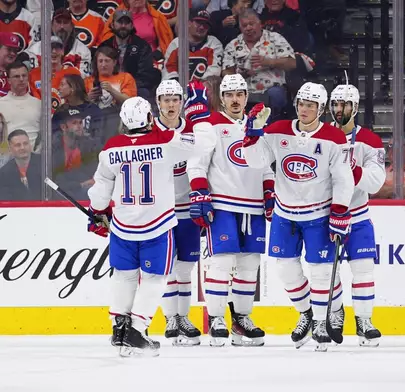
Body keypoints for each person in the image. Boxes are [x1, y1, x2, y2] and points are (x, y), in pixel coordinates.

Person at [86, 96, 207, 357]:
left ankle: (119, 326)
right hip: (157, 226)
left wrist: (96, 213)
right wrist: (199, 117)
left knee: (124, 276)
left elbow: (100, 193)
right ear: (150, 118)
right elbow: (204, 145)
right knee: (155, 278)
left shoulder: (111, 148)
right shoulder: (165, 143)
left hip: (123, 227)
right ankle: (137, 328)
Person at [241, 82, 354, 351]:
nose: (305, 109)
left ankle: (328, 315)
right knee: (284, 268)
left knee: (322, 271)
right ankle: (307, 313)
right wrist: (253, 133)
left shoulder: (334, 138)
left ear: (321, 109)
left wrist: (339, 210)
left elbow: (343, 178)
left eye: (311, 105)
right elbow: (255, 161)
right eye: (302, 104)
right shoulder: (278, 130)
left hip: (319, 213)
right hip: (285, 213)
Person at [184, 74, 274, 347]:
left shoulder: (257, 125)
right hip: (223, 203)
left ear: (247, 97)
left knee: (249, 266)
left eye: (240, 94)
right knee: (221, 262)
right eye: (229, 94)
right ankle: (215, 318)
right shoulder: (210, 125)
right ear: (221, 98)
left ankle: (241, 320)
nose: (235, 100)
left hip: (253, 206)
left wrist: (269, 190)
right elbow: (196, 163)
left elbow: (265, 165)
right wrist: (199, 192)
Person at [329, 84, 385, 346]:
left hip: (358, 215)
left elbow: (375, 182)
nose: (340, 110)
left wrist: (353, 169)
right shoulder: (321, 135)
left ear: (355, 107)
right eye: (336, 104)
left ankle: (364, 320)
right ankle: (335, 312)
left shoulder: (370, 141)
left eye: (345, 105)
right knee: (326, 271)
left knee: (363, 270)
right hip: (325, 215)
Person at [150, 80, 203, 347]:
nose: (171, 105)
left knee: (185, 268)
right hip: (160, 212)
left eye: (175, 100)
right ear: (157, 102)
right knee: (167, 267)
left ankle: (183, 316)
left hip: (188, 209)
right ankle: (171, 317)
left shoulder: (193, 129)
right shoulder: (149, 131)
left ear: (182, 102)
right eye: (166, 100)